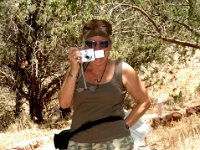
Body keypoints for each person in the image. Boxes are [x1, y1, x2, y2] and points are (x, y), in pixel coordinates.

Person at [59, 19, 151, 150]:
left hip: (116, 143)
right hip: (79, 143)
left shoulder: (123, 70)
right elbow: (64, 104)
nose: (97, 48)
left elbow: (144, 101)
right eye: (91, 43)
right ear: (84, 46)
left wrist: (124, 127)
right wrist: (74, 69)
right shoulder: (75, 71)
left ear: (110, 46)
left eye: (103, 44)